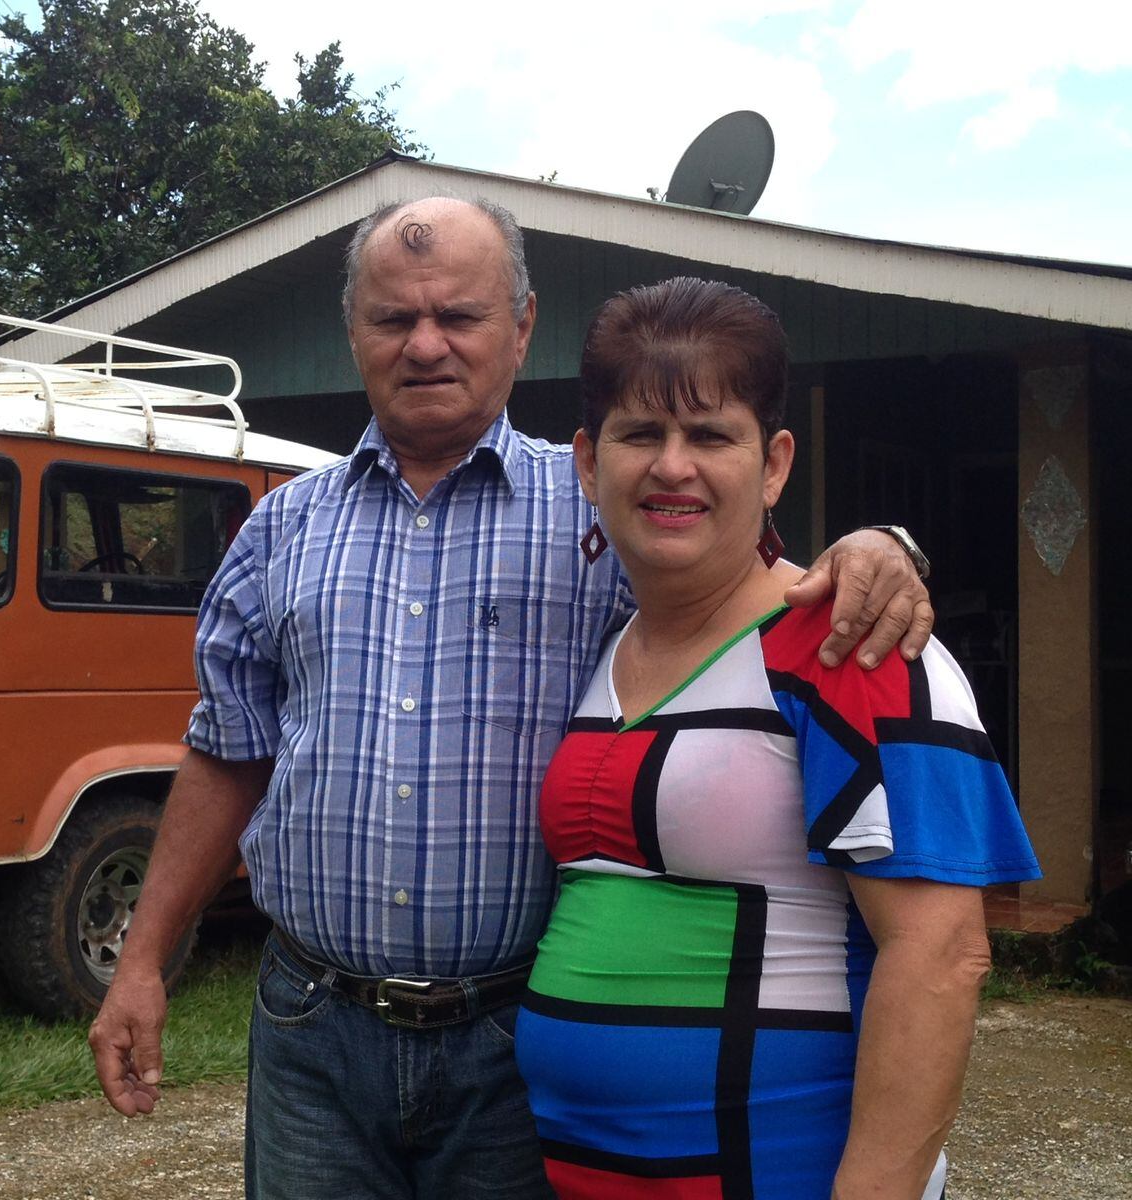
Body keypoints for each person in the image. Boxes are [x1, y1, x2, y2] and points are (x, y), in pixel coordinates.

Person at [88, 197, 934, 1199]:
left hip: (513, 1038)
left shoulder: (609, 508)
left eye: (459, 315)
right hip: (311, 1029)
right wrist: (141, 961)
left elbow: (750, 582)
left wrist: (881, 547)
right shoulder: (279, 531)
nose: (426, 345)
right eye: (394, 318)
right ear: (353, 330)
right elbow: (229, 753)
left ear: (522, 325)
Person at [517, 276, 1039, 1199]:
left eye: (711, 435)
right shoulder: (604, 649)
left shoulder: (851, 649)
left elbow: (941, 956)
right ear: (588, 462)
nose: (672, 465)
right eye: (640, 434)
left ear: (773, 464)